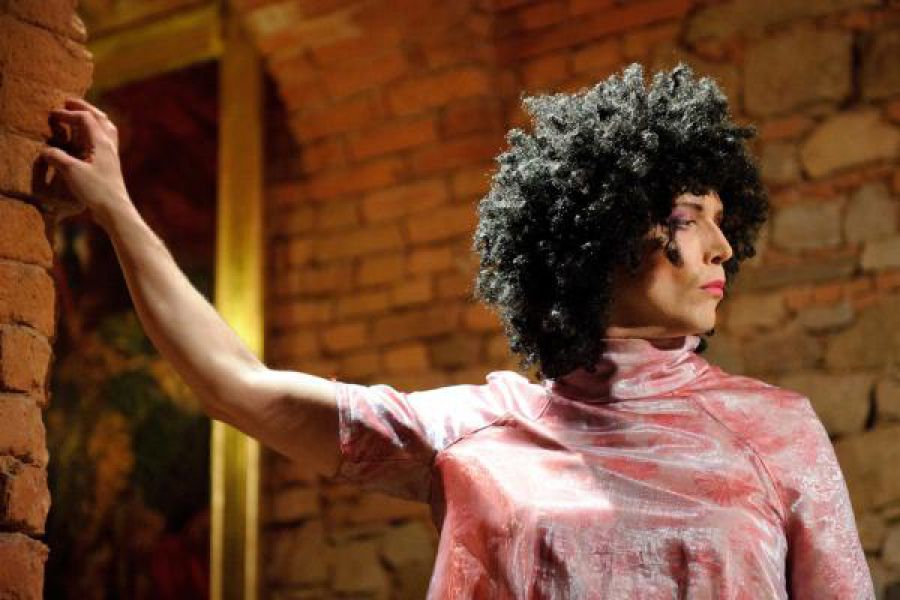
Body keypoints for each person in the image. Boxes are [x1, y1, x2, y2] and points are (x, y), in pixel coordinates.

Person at [40, 62, 874, 598]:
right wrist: (115, 209)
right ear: (601, 227)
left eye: (725, 219)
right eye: (691, 216)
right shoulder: (474, 431)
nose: (723, 245)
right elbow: (236, 386)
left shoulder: (777, 430)